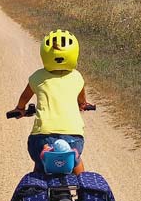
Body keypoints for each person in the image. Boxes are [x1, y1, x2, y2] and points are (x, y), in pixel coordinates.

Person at [9, 29, 93, 175]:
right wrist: (82, 105)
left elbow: (24, 98)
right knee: (76, 160)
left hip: (42, 137)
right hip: (73, 137)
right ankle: (82, 183)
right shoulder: (77, 77)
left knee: (39, 165)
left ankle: (39, 175)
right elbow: (82, 100)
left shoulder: (37, 77)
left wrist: (20, 109)